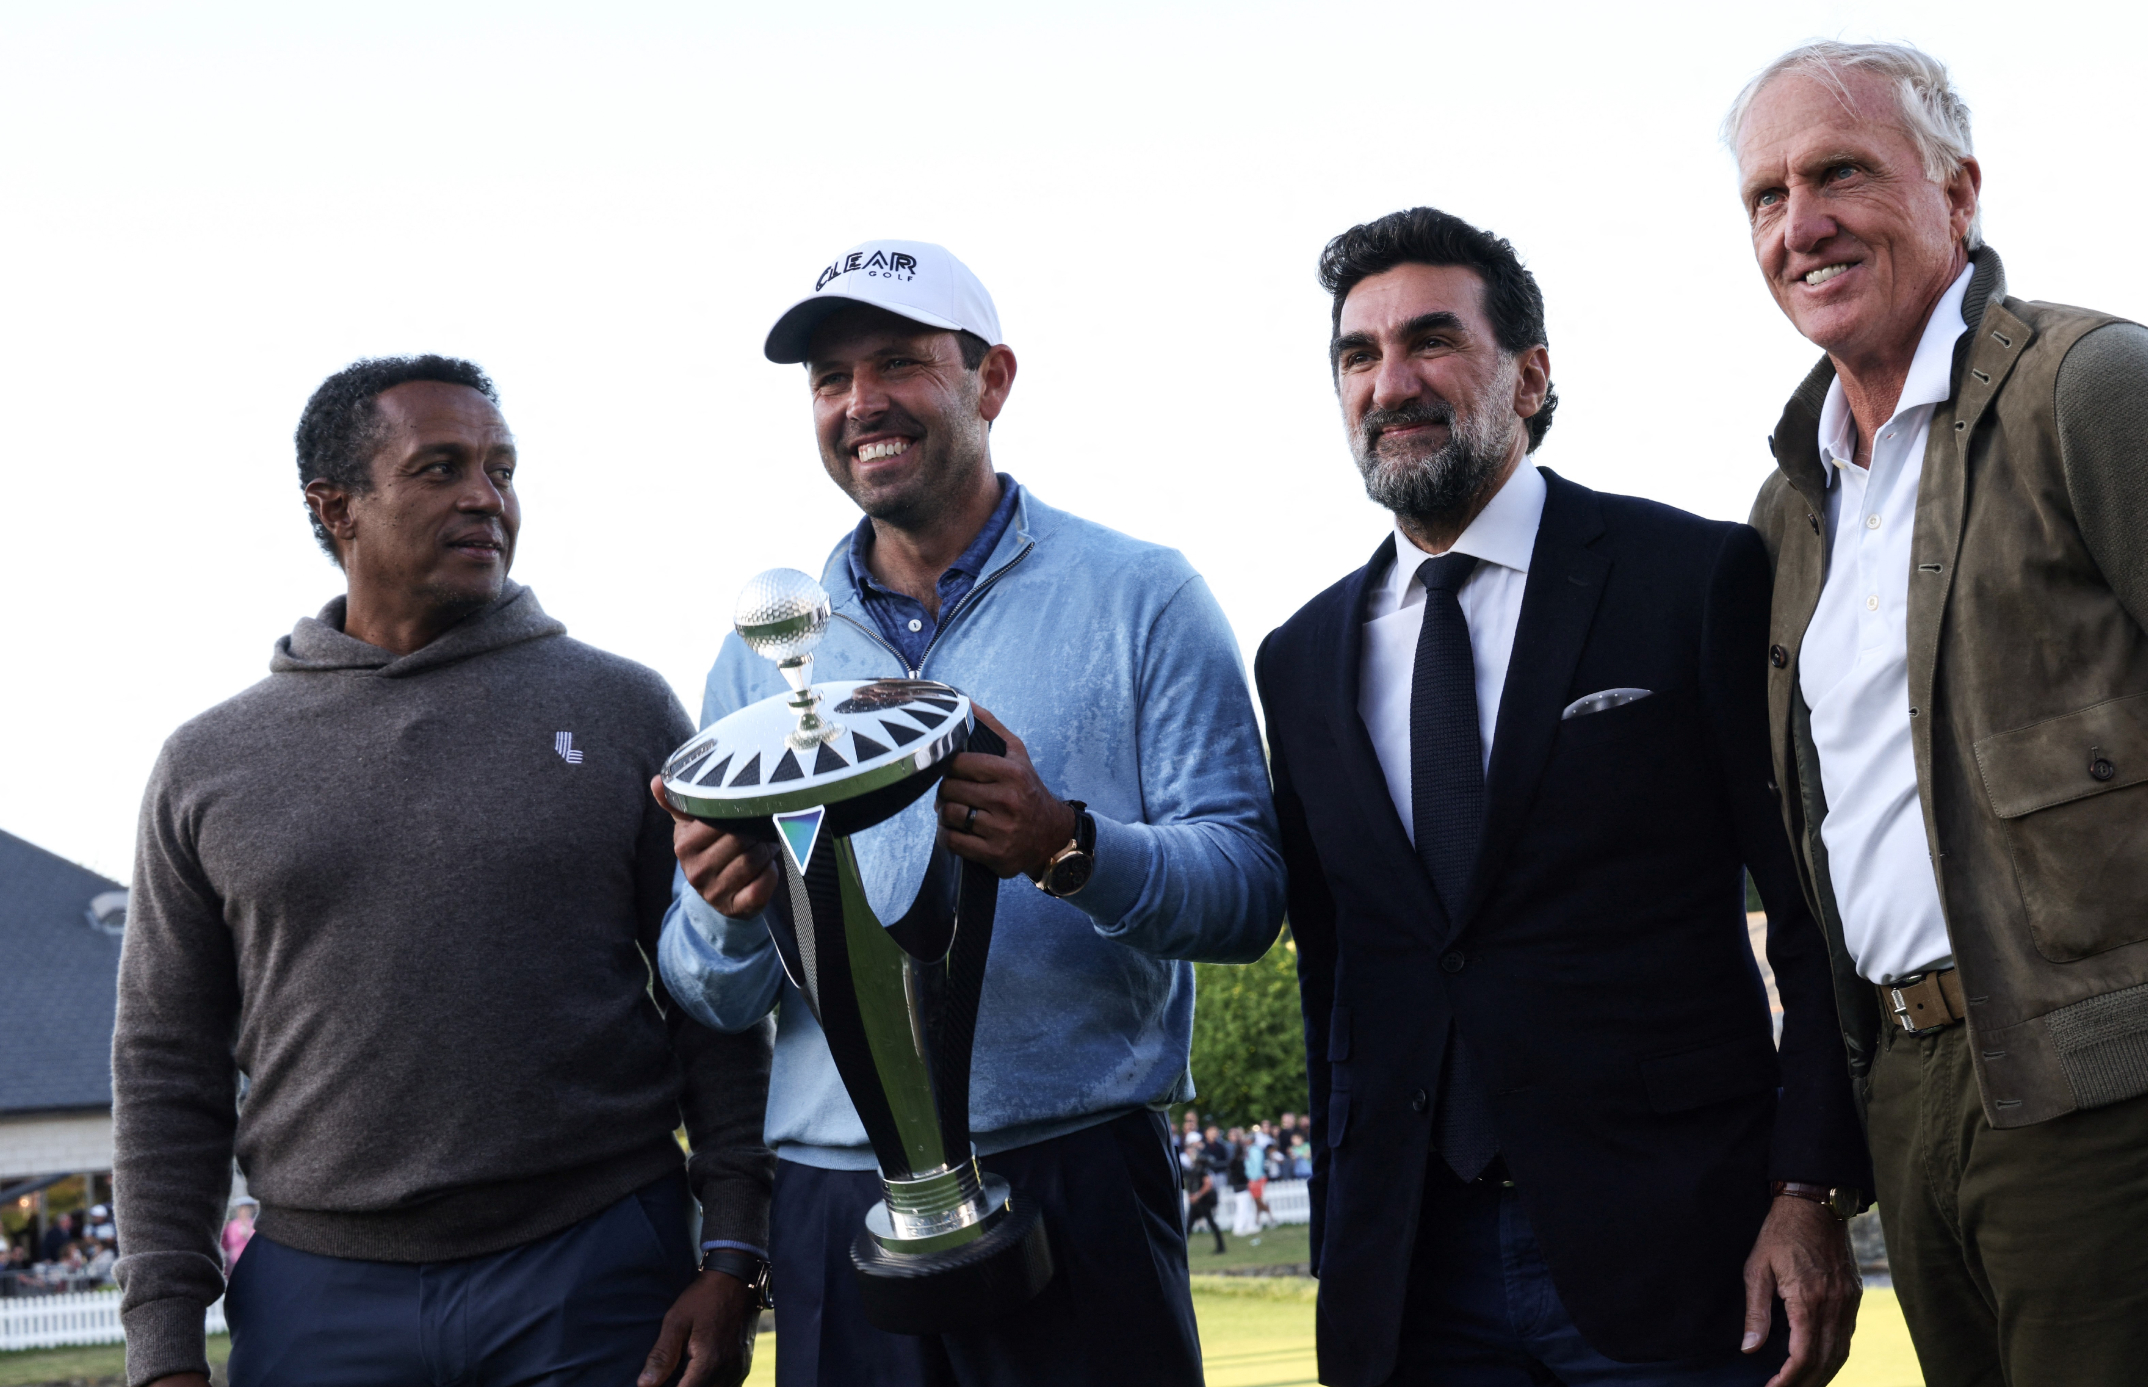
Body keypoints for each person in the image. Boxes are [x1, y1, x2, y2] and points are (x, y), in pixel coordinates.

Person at [1724, 41, 2148, 1384]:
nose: (1803, 224)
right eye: (1766, 196)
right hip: (1906, 1093)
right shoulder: (1787, 509)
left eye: (1841, 171)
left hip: (2114, 1095)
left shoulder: (2099, 389)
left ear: (1960, 194)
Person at [656, 238, 1285, 1386]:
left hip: (1074, 1171)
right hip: (836, 1195)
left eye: (897, 362)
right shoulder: (758, 662)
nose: (861, 404)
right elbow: (709, 989)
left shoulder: (1141, 594)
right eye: (830, 379)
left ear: (990, 379)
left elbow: (1247, 889)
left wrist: (1070, 846)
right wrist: (721, 911)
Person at [1259, 207, 1870, 1387]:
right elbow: (1335, 986)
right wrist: (1349, 1244)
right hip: (1412, 1279)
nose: (1392, 380)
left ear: (1529, 374)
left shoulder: (1691, 579)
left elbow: (1810, 911)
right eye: (1358, 353)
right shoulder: (1298, 658)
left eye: (1431, 339)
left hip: (1679, 1251)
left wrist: (1809, 1188)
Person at [114, 356, 774, 1387]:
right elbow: (166, 1066)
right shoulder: (210, 762)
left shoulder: (622, 709)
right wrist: (162, 1346)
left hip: (597, 1267)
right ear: (335, 507)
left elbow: (716, 998)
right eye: (439, 468)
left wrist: (735, 1248)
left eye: (501, 468)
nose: (486, 495)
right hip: (319, 1292)